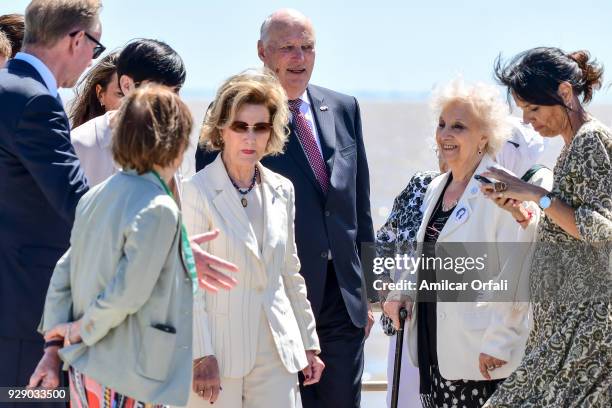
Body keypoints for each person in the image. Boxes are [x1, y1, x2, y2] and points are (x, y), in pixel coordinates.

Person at [195, 10, 375, 407]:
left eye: (307, 47)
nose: (299, 57)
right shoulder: (235, 118)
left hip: (343, 302)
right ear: (262, 52)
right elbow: (210, 216)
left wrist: (368, 295)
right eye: (288, 48)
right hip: (270, 308)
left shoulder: (344, 107)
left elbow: (359, 209)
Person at [29, 85, 209, 406]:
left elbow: (63, 272)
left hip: (88, 372)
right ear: (176, 143)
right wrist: (79, 329)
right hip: (133, 378)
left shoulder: (94, 196)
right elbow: (127, 294)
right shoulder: (159, 206)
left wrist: (55, 344)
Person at [384, 79, 552, 408]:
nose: (445, 134)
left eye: (459, 126)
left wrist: (501, 342)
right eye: (442, 124)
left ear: (484, 137)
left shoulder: (500, 188)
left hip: (480, 358)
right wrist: (402, 290)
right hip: (435, 352)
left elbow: (514, 274)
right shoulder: (437, 187)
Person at [182, 69, 324, 408]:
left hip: (277, 350)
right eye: (239, 127)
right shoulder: (194, 191)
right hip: (218, 356)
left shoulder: (282, 189)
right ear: (221, 130)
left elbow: (290, 270)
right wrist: (200, 354)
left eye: (260, 127)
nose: (250, 137)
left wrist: (308, 340)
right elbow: (189, 282)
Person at [481, 47, 612, 407]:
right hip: (562, 327)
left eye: (534, 109)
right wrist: (523, 208)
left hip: (584, 330)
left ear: (565, 92)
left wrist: (533, 192)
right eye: (523, 110)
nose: (527, 120)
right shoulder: (574, 144)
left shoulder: (588, 141)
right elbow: (568, 224)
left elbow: (600, 230)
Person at [0, 0, 101, 396]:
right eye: (97, 45)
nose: (94, 58)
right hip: (27, 319)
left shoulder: (10, 88)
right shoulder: (35, 102)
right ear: (76, 39)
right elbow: (80, 205)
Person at [71, 39, 186, 187]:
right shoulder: (80, 144)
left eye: (176, 91)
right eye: (159, 90)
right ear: (126, 85)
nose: (170, 101)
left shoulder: (169, 146)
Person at [69, 50, 122, 127]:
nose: (131, 102)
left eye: (136, 93)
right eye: (120, 94)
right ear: (100, 94)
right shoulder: (80, 137)